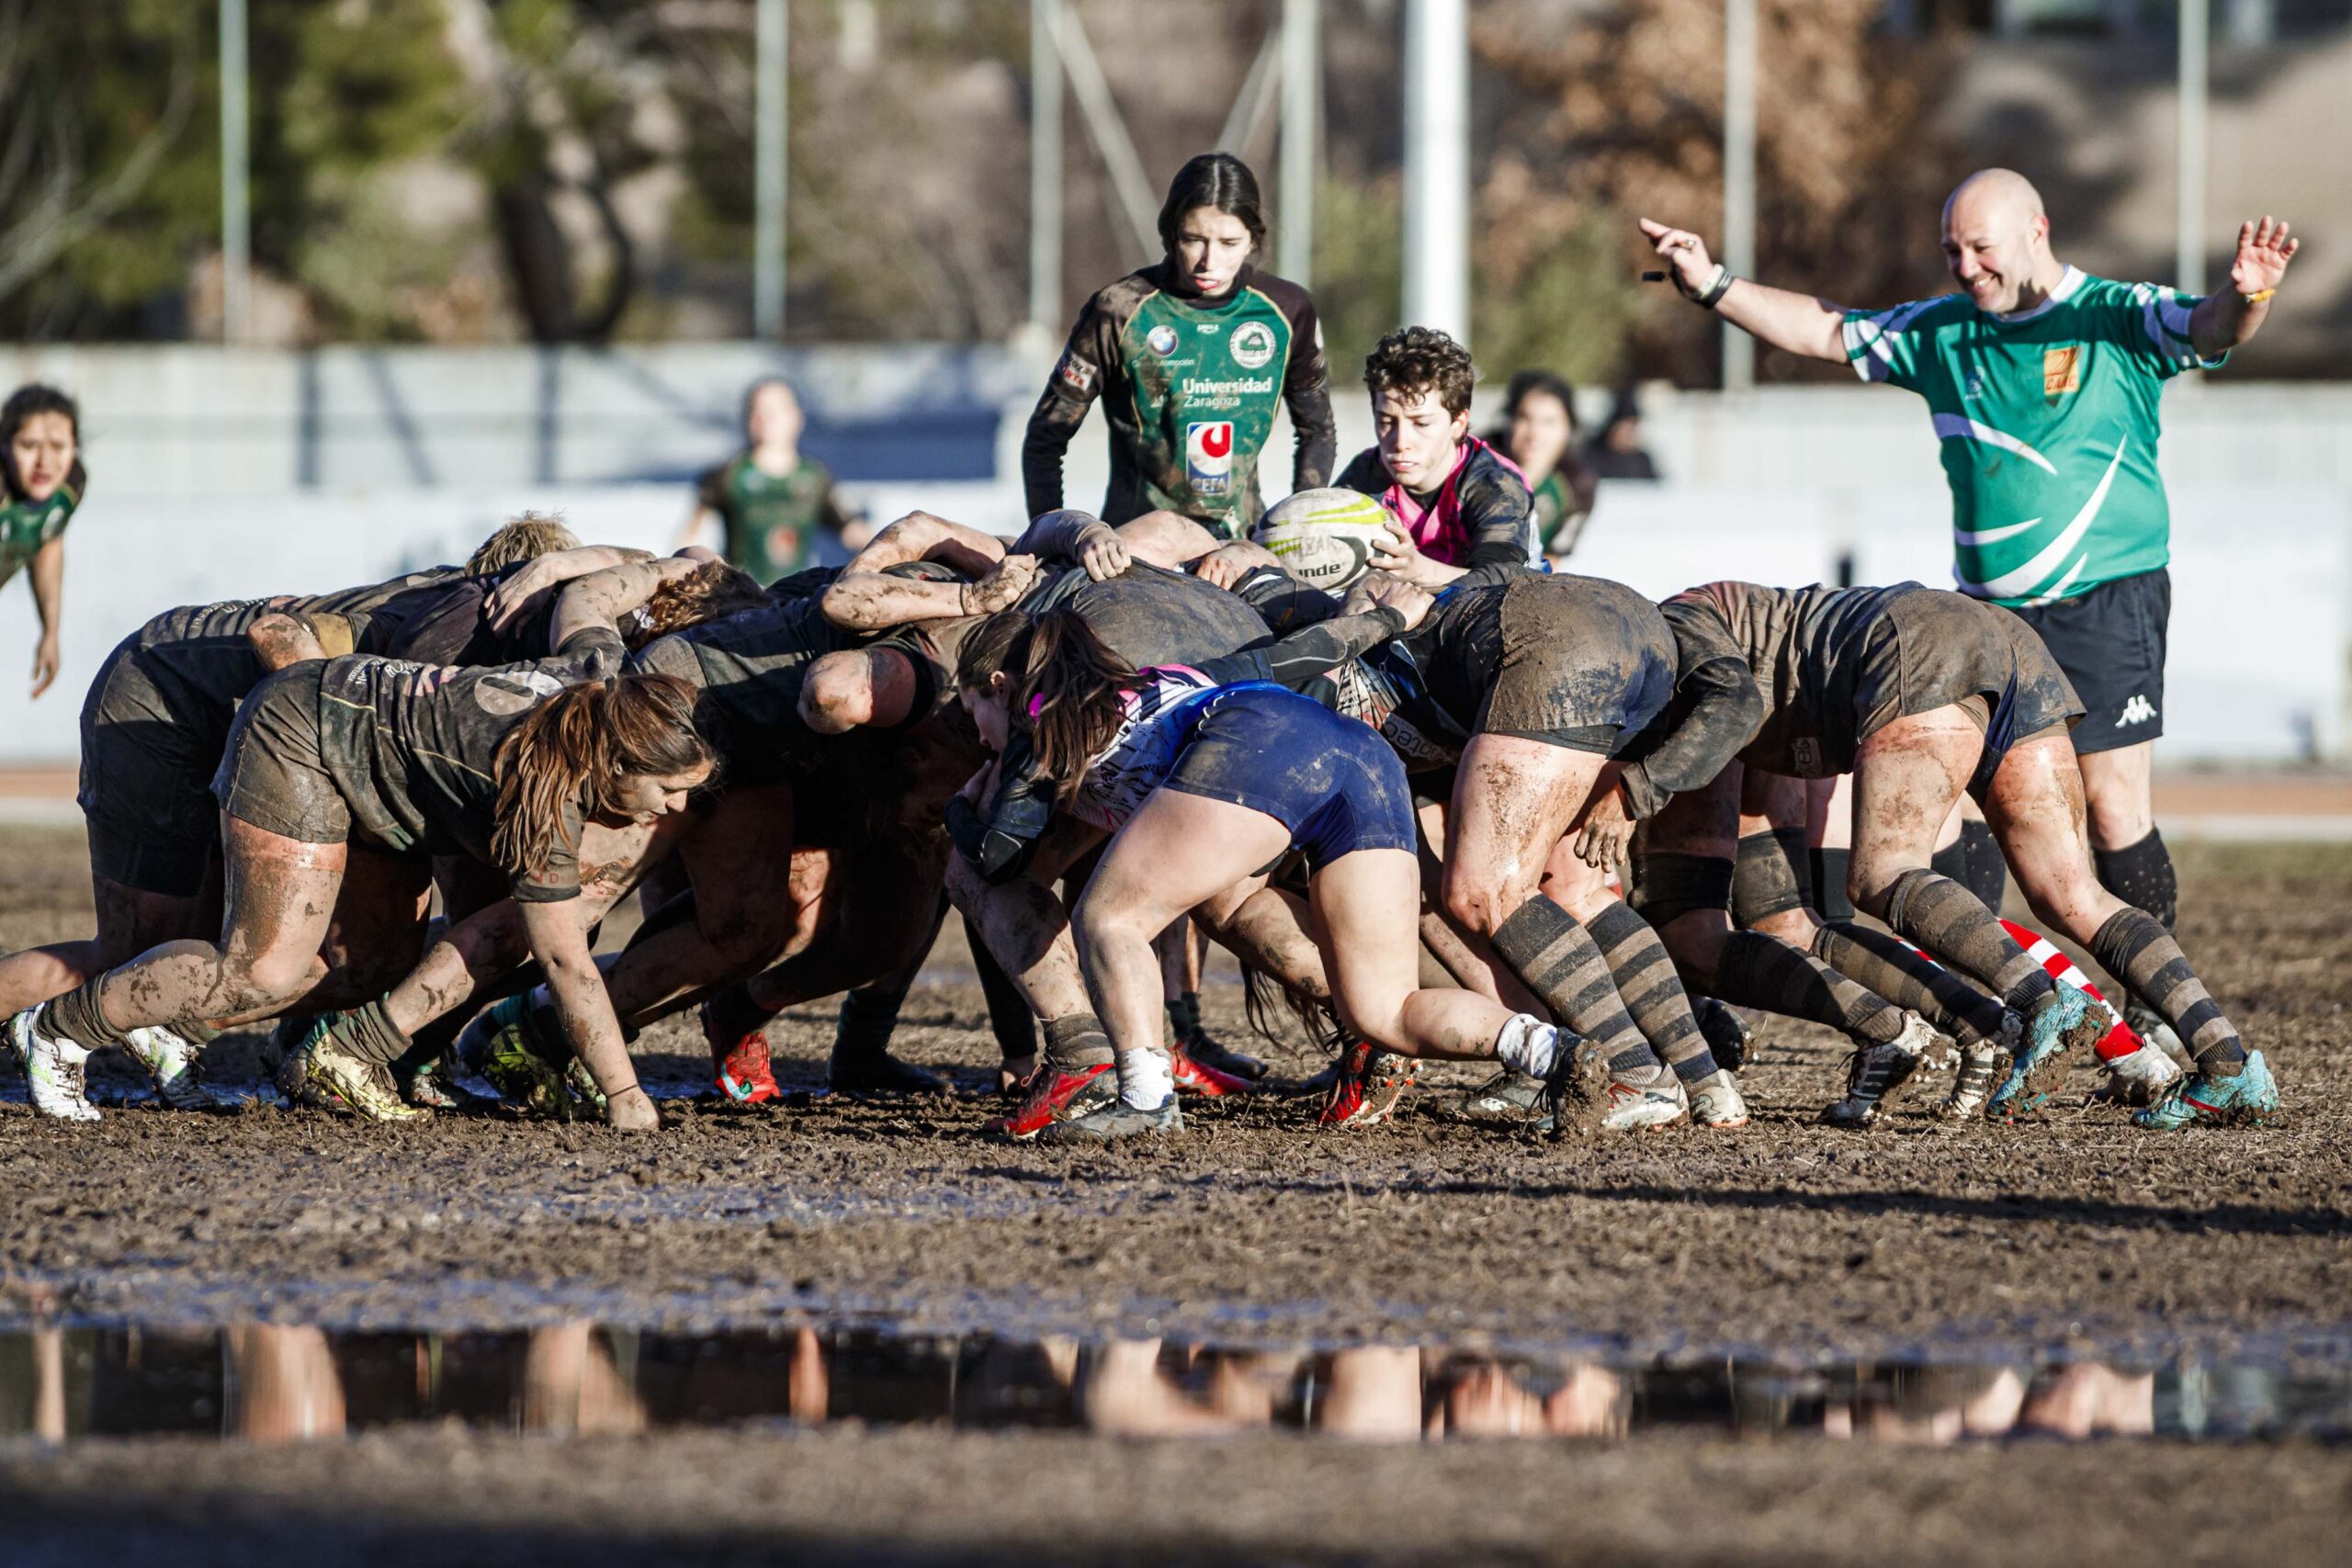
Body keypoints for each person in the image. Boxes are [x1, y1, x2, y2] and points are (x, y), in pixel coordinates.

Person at [1638, 173, 2300, 1047]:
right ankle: (2003, 1018)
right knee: (1969, 813)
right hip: (1987, 623)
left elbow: (2211, 325)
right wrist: (1714, 284)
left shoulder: (2108, 314)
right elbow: (1825, 328)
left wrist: (2246, 293)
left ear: (2037, 230)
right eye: (1953, 251)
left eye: (1980, 248)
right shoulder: (1943, 332)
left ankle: (2157, 1019)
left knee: (2108, 807)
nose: (1966, 266)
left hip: (2105, 598)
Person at [7, 562, 714, 1130]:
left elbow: (591, 594)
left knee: (366, 959)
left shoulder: (600, 677)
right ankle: (58, 1028)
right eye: (668, 790)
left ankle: (172, 1025)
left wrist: (667, 567)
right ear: (616, 764)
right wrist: (624, 1091)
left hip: (343, 741)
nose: (676, 808)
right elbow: (566, 959)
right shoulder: (550, 791)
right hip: (298, 730)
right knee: (261, 967)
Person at [1657, 580, 2272, 1129]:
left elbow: (1728, 707)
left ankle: (2045, 1001)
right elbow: (1773, 887)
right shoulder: (1759, 653)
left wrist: (1641, 782)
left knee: (1883, 876)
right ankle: (2230, 1064)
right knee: (2074, 893)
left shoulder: (1678, 628)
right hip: (2006, 644)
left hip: (1920, 645)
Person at [955, 603, 1578, 1145]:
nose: (980, 739)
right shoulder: (1163, 679)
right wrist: (1388, 618)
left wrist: (960, 805)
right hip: (1363, 758)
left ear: (1001, 685)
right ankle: (1557, 1052)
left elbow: (998, 860)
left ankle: (1146, 1099)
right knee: (1385, 1009)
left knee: (1109, 917)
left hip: (1255, 744)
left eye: (972, 712)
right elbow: (1295, 654)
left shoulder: (1041, 715)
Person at [1022, 152, 1334, 538]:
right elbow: (1045, 437)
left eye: (1229, 242)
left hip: (1241, 549)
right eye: (1194, 240)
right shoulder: (1118, 310)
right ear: (1170, 234)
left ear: (1253, 239)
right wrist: (1053, 536)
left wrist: (1297, 533)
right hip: (1137, 552)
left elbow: (1318, 430)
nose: (1209, 261)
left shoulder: (1288, 311)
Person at [1333, 327, 1540, 590]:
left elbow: (1504, 580)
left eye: (1421, 423)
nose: (1400, 442)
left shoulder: (1496, 484)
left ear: (1458, 423)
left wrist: (1418, 570)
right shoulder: (1366, 475)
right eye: (1386, 421)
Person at [682, 378, 868, 584]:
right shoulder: (727, 475)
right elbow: (690, 537)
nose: (764, 419)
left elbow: (855, 533)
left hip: (795, 600)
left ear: (796, 417)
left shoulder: (815, 477)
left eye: (773, 411)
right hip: (740, 599)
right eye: (756, 410)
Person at [1, 384, 85, 698]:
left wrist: (50, 632)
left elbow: (47, 542)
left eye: (58, 446)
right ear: (5, 445)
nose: (45, 461)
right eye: (29, 445)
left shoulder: (69, 487)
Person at [1488, 369, 1599, 560]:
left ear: (1568, 427)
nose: (1534, 433)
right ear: (1509, 420)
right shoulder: (1475, 468)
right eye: (1525, 418)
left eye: (1549, 422)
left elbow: (1553, 559)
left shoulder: (1577, 485)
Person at [1583, 387, 1658, 481]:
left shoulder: (1642, 460)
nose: (1629, 433)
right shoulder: (1592, 456)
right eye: (1625, 427)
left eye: (1633, 427)